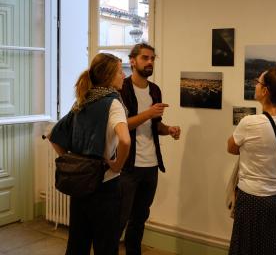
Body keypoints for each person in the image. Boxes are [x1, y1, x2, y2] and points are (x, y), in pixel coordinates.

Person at [48, 53, 131, 255]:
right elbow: (125, 140)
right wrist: (117, 165)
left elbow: (53, 135)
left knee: (78, 243)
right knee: (106, 246)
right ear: (109, 75)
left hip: (80, 184)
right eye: (120, 72)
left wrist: (69, 159)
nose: (123, 76)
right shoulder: (113, 103)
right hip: (105, 185)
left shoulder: (83, 101)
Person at [227, 63, 276, 255]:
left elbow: (231, 147)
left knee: (249, 248)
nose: (255, 86)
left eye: (257, 82)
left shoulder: (249, 123)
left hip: (253, 200)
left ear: (265, 91)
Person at [119, 43, 181, 255]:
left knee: (140, 217)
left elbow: (155, 125)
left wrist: (169, 129)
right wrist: (147, 114)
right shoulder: (122, 88)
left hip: (151, 164)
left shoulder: (155, 90)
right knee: (120, 217)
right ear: (133, 61)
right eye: (145, 58)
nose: (150, 62)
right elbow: (121, 126)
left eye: (153, 58)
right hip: (127, 165)